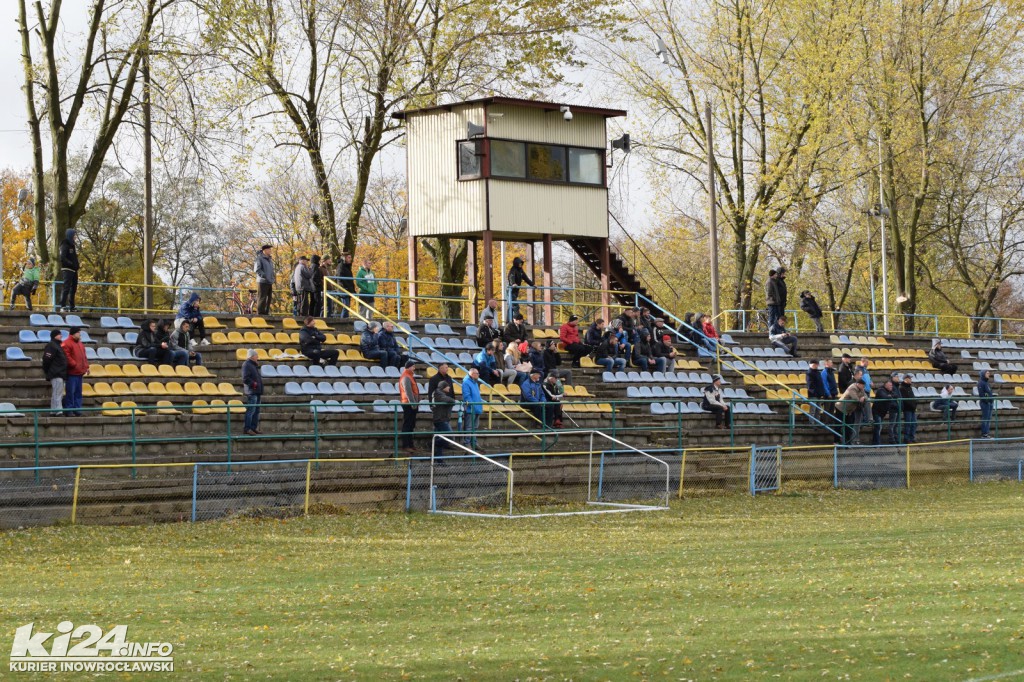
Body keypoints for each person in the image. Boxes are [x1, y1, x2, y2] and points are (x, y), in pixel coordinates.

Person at [61, 326, 88, 416]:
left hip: (79, 372)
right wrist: (74, 364)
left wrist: (86, 366)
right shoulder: (67, 343)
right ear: (73, 333)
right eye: (78, 332)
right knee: (70, 392)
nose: (80, 334)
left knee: (78, 393)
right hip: (72, 373)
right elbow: (67, 356)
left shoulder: (80, 343)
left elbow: (84, 356)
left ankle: (77, 409)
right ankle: (69, 410)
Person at [41, 329, 67, 416]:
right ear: (54, 336)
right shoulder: (51, 345)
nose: (61, 336)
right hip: (56, 373)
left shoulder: (58, 345)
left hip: (60, 373)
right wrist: (48, 370)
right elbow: (46, 360)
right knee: (57, 393)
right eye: (59, 334)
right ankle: (58, 411)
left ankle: (53, 411)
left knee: (57, 393)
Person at [431, 380, 457, 458]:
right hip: (441, 419)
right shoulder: (438, 393)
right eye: (447, 386)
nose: (449, 387)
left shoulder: (440, 393)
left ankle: (439, 460)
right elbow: (450, 400)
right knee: (449, 437)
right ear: (443, 387)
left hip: (442, 418)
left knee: (441, 437)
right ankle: (434, 442)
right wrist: (452, 401)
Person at [837, 378, 867, 445]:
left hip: (849, 410)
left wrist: (863, 398)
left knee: (849, 426)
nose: (863, 388)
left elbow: (866, 396)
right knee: (838, 425)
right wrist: (861, 398)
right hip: (841, 408)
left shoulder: (861, 388)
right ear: (859, 384)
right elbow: (855, 398)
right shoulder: (852, 388)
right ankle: (837, 441)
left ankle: (847, 442)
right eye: (863, 386)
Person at [398, 361, 420, 452]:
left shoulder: (409, 376)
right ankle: (406, 445)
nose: (414, 368)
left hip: (410, 403)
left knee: (411, 424)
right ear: (409, 367)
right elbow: (408, 392)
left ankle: (410, 444)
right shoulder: (406, 377)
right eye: (413, 366)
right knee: (408, 424)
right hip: (408, 404)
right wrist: (413, 404)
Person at [241, 349, 264, 435]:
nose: (257, 357)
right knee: (251, 411)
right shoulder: (247, 364)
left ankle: (253, 428)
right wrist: (253, 384)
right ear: (252, 356)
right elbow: (245, 378)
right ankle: (247, 428)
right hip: (252, 391)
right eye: (256, 355)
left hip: (256, 391)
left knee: (256, 411)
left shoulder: (253, 365)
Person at [461, 367, 484, 449]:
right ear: (472, 374)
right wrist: (473, 405)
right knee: (469, 427)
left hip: (477, 408)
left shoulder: (475, 383)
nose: (478, 375)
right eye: (477, 373)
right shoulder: (466, 383)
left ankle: (474, 442)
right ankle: (467, 443)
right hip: (470, 409)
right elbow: (467, 396)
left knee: (475, 427)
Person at [57, 228, 80, 313]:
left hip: (74, 270)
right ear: (70, 235)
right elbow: (62, 257)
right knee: (66, 287)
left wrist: (76, 265)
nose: (75, 237)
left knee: (73, 288)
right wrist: (71, 264)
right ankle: (62, 306)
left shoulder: (72, 245)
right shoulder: (65, 244)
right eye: (74, 235)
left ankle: (72, 307)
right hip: (67, 269)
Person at [872, 379, 900, 445]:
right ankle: (877, 443)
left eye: (891, 385)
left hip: (882, 412)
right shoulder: (880, 390)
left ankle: (875, 442)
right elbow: (884, 396)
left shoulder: (890, 391)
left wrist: (890, 396)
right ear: (885, 385)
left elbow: (896, 395)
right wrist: (890, 396)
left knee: (878, 427)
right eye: (889, 385)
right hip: (877, 411)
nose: (891, 387)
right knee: (878, 427)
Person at [253, 244, 275, 315]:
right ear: (264, 250)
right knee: (262, 297)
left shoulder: (269, 259)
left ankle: (266, 312)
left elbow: (271, 270)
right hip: (262, 281)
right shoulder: (259, 258)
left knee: (269, 298)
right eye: (269, 249)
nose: (270, 250)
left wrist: (272, 278)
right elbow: (257, 269)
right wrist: (264, 276)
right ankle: (260, 313)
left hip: (269, 281)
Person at [899, 375, 919, 444]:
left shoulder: (909, 388)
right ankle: (906, 439)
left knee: (914, 424)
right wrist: (913, 405)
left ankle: (911, 438)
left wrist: (915, 404)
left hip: (912, 409)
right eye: (909, 378)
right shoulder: (902, 388)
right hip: (907, 409)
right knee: (908, 424)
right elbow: (905, 400)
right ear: (906, 379)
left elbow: (912, 398)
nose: (911, 380)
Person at [336, 253, 355, 319]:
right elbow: (340, 278)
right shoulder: (341, 266)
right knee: (346, 306)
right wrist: (345, 287)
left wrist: (352, 289)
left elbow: (350, 279)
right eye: (349, 257)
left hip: (348, 289)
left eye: (350, 257)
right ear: (344, 258)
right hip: (343, 289)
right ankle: (342, 320)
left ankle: (345, 319)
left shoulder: (347, 266)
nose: (350, 259)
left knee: (347, 306)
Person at [978, 370, 994, 438]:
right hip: (985, 403)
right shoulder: (981, 383)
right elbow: (981, 394)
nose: (989, 374)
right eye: (987, 373)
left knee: (988, 418)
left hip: (990, 403)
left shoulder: (986, 383)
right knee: (985, 418)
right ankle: (984, 433)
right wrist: (986, 401)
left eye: (989, 373)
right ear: (983, 374)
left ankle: (987, 433)